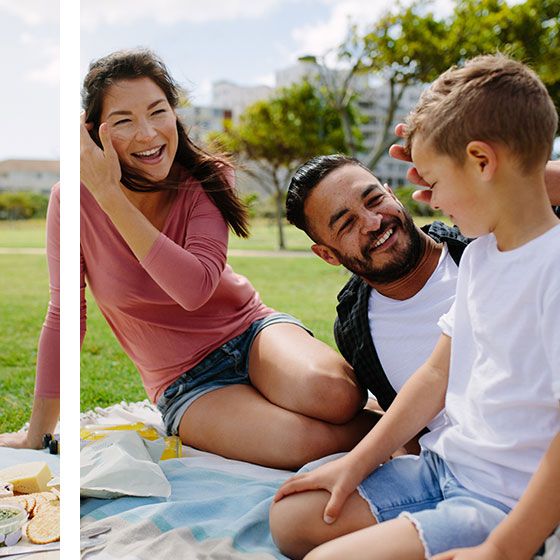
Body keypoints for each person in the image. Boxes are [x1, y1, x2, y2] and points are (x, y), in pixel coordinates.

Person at [269, 54, 560, 559]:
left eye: (436, 182)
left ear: (482, 162)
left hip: (501, 501)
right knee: (290, 520)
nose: (427, 199)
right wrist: (355, 463)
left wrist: (503, 548)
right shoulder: (483, 258)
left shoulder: (543, 267)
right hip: (448, 467)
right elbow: (433, 376)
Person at [75, 48, 383, 470]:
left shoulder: (206, 176)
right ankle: (414, 433)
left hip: (251, 331)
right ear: (94, 134)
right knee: (299, 442)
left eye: (157, 111)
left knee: (337, 394)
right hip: (187, 383)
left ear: (174, 113)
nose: (148, 134)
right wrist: (38, 429)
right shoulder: (70, 203)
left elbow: (195, 287)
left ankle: (417, 426)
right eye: (125, 121)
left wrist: (112, 198)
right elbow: (65, 315)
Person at [0, 186, 60, 449]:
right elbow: (64, 312)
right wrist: (36, 436)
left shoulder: (199, 181)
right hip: (187, 384)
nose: (148, 140)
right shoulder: (68, 198)